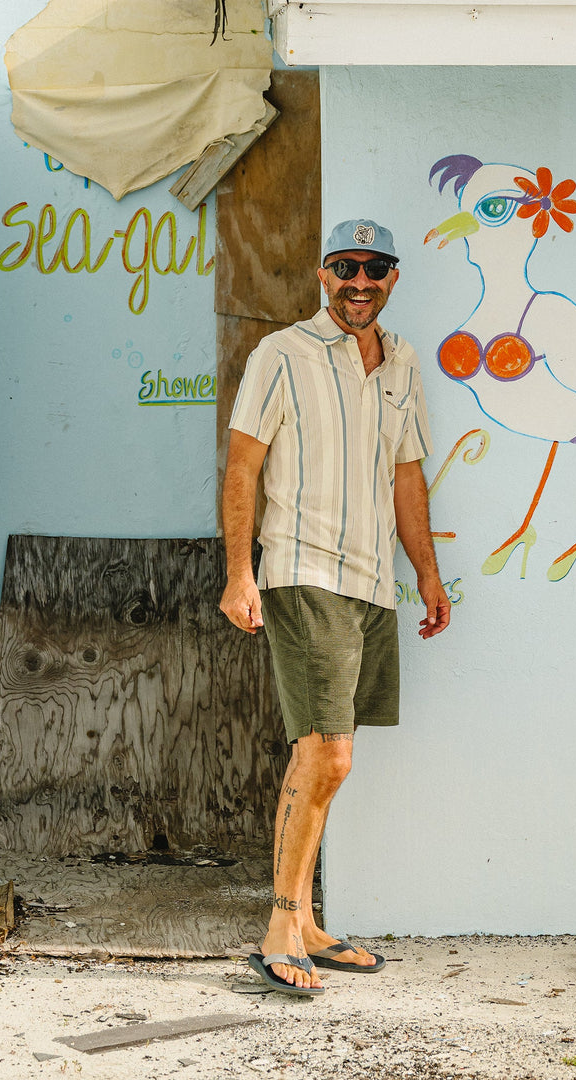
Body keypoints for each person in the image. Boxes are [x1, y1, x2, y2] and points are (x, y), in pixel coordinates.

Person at [219, 219, 451, 996]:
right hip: (304, 570)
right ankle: (281, 926)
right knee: (327, 752)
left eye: (374, 268)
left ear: (392, 278)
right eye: (345, 267)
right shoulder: (281, 354)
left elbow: (407, 476)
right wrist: (240, 573)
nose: (360, 281)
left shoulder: (403, 363)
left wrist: (427, 575)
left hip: (371, 583)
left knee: (328, 760)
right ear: (324, 275)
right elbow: (243, 466)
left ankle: (310, 928)